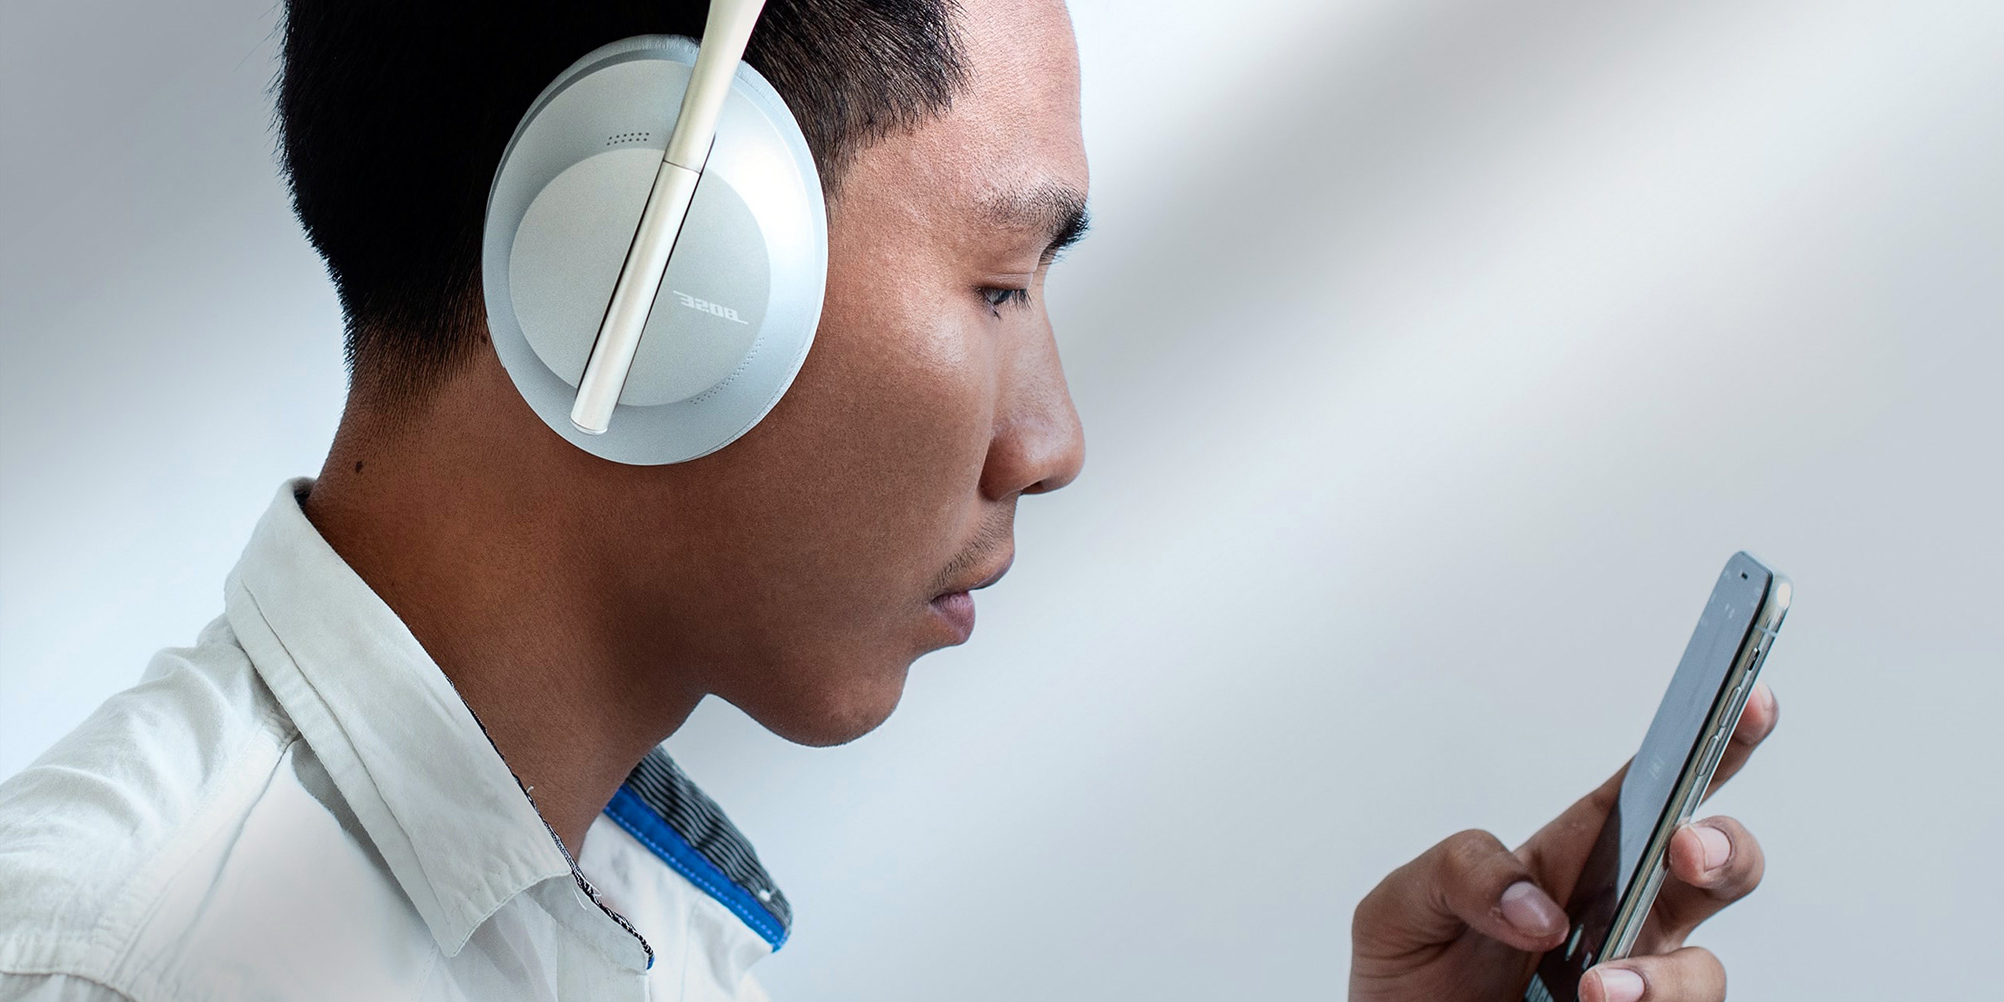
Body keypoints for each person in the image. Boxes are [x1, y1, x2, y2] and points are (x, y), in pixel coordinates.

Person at [0, 1, 1777, 1000]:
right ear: (651, 261)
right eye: (1003, 284)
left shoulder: (609, 920)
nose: (1052, 437)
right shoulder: (135, 970)